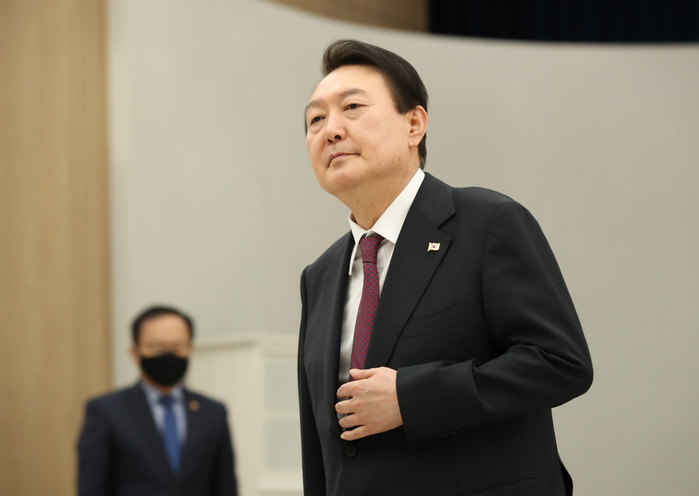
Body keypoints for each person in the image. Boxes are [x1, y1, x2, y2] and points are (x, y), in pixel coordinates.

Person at [297, 39, 593, 496]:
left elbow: (560, 362)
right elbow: (320, 445)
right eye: (315, 120)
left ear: (414, 124)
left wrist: (411, 397)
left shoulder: (487, 222)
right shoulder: (319, 276)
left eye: (352, 107)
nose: (330, 130)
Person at [77, 305, 238, 496]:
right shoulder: (106, 411)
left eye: (177, 346)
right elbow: (92, 487)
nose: (168, 354)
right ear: (135, 352)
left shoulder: (213, 412)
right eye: (157, 347)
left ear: (190, 348)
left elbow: (226, 486)